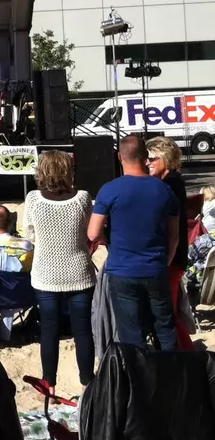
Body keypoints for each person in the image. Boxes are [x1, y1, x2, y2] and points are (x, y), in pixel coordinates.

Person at [87, 135, 180, 351]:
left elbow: (92, 233)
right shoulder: (164, 190)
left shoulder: (109, 189)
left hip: (122, 271)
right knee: (165, 330)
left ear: (120, 157)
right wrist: (165, 261)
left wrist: (107, 240)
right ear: (144, 157)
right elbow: (174, 236)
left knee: (132, 335)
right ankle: (172, 379)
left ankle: (139, 381)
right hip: (156, 268)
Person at [24, 150, 97, 396]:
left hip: (46, 274)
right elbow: (90, 233)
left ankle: (49, 384)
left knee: (49, 330)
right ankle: (88, 383)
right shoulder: (82, 198)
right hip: (79, 271)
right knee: (82, 331)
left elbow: (29, 235)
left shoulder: (33, 199)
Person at [146, 135, 193, 350]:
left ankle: (190, 360)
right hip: (172, 257)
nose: (147, 163)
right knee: (167, 314)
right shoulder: (170, 181)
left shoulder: (171, 183)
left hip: (171, 259)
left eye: (152, 159)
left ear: (166, 158)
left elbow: (168, 228)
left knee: (167, 315)